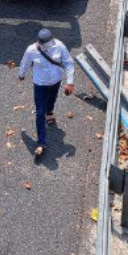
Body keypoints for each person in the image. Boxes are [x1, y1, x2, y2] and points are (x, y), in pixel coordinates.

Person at [17, 28, 75, 158]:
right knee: (39, 112)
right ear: (40, 42)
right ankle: (41, 142)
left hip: (56, 81)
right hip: (40, 84)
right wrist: (21, 74)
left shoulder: (59, 46)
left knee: (52, 99)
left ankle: (50, 112)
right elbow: (25, 63)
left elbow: (68, 62)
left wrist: (70, 82)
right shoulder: (31, 50)